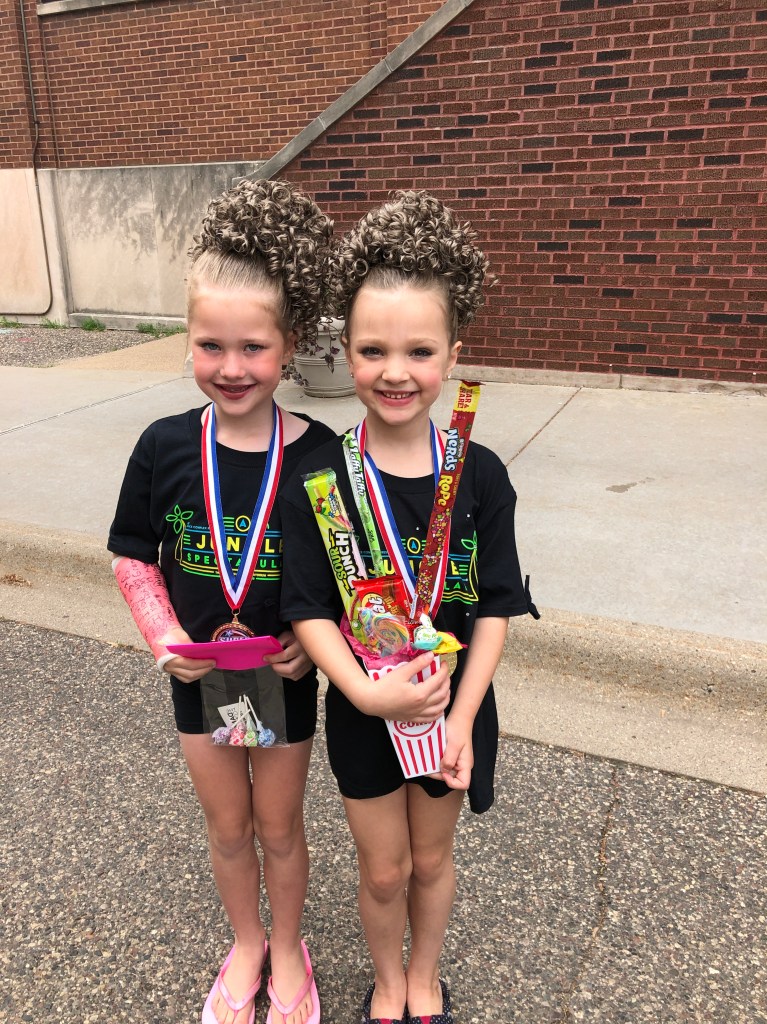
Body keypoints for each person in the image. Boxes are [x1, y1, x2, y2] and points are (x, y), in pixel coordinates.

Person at [279, 190, 538, 1024]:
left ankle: (423, 978)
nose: (396, 372)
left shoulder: (480, 474)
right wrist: (363, 692)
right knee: (384, 869)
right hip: (366, 708)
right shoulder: (322, 477)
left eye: (420, 351)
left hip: (451, 710)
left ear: (452, 355)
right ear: (344, 352)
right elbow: (308, 607)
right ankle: (387, 985)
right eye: (373, 350)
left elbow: (494, 606)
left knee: (431, 860)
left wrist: (460, 719)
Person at [108, 178, 335, 1024]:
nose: (231, 368)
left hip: (285, 677)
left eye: (253, 347)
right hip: (198, 679)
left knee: (280, 828)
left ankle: (289, 947)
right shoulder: (163, 446)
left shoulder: (321, 454)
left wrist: (319, 642)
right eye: (210, 345)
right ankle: (247, 942)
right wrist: (164, 636)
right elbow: (133, 557)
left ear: (289, 345)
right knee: (229, 828)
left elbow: (351, 576)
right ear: (188, 339)